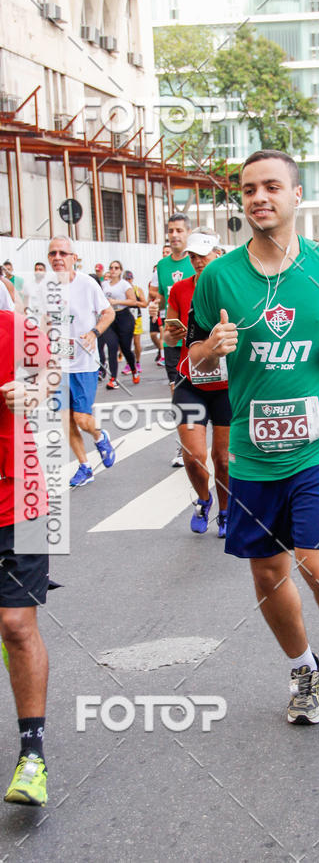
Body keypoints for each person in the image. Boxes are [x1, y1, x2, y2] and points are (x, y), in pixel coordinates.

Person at [188, 149, 319, 725]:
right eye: (248, 189)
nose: (258, 198)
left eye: (272, 186)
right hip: (253, 453)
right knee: (268, 572)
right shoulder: (219, 277)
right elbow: (192, 357)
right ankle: (303, 669)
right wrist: (209, 350)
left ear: (297, 196)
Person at [0, 310, 51, 806]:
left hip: (20, 499)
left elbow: (50, 373)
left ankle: (31, 756)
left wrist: (31, 392)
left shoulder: (13, 326)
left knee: (17, 625)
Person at [164, 230, 230, 537]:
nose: (198, 261)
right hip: (190, 382)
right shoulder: (179, 289)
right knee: (193, 455)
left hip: (228, 389)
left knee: (224, 460)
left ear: (219, 254)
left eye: (204, 254)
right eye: (192, 256)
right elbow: (167, 332)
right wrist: (171, 335)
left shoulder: (234, 285)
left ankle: (227, 512)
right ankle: (204, 500)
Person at [47, 236, 116, 487]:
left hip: (84, 363)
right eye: (53, 253)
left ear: (73, 258)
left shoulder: (87, 284)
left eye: (62, 253)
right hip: (57, 365)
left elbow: (109, 312)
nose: (57, 257)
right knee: (66, 419)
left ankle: (99, 436)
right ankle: (84, 466)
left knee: (81, 418)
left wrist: (94, 332)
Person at [149, 217, 195, 466]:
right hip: (174, 341)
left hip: (200, 341)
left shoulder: (198, 260)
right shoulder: (162, 265)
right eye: (170, 231)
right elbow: (156, 295)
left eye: (179, 230)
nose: (174, 235)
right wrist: (154, 305)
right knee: (177, 393)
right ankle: (183, 446)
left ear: (189, 232)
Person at [100, 261, 140, 389]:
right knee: (112, 346)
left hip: (124, 317)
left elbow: (133, 301)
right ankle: (113, 379)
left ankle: (134, 369)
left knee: (125, 348)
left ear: (121, 270)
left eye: (116, 268)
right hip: (110, 317)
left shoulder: (124, 284)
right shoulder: (104, 284)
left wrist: (116, 301)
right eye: (111, 268)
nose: (113, 270)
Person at [122, 270, 148, 375]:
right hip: (126, 318)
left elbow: (145, 304)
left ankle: (137, 362)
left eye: (130, 278)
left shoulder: (137, 290)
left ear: (132, 279)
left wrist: (134, 302)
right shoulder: (122, 290)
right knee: (126, 343)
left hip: (136, 318)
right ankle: (129, 363)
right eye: (126, 279)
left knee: (137, 342)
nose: (128, 281)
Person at [148, 263, 164, 366]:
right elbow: (149, 297)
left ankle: (163, 355)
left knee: (163, 333)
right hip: (157, 311)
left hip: (164, 311)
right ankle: (161, 351)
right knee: (153, 334)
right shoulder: (152, 284)